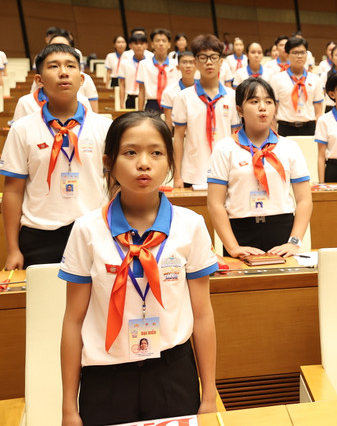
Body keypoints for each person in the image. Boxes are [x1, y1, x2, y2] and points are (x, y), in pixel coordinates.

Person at [59, 110, 218, 426]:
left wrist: (209, 393)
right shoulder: (86, 230)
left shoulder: (192, 226)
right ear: (108, 162)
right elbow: (73, 320)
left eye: (156, 153)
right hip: (106, 377)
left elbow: (203, 314)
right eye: (130, 152)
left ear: (170, 163)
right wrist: (68, 407)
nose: (143, 163)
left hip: (173, 372)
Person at [1, 44, 112, 270]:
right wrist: (13, 249)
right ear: (39, 80)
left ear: (81, 79)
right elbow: (12, 190)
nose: (63, 72)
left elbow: (115, 183)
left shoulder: (104, 126)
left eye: (70, 66)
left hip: (95, 231)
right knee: (45, 303)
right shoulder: (22, 128)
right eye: (54, 66)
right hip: (39, 235)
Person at [207, 78, 312, 258]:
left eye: (268, 102)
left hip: (282, 230)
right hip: (240, 232)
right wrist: (232, 247)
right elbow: (214, 203)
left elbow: (304, 200)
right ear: (239, 110)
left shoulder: (289, 147)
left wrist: (294, 241)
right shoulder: (225, 148)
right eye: (254, 101)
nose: (262, 107)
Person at [172, 34, 240, 188]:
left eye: (213, 57)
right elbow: (177, 138)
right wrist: (177, 176)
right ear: (195, 62)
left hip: (226, 172)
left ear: (221, 61)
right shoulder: (184, 97)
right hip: (192, 172)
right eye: (203, 57)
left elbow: (236, 138)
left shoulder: (232, 96)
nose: (209, 62)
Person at [271, 36, 324, 136]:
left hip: (309, 128)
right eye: (295, 53)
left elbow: (318, 111)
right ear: (287, 55)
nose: (299, 56)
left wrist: (319, 133)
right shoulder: (277, 79)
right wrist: (273, 133)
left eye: (303, 52)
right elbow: (274, 111)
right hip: (285, 128)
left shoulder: (315, 79)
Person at [137, 28, 177, 112]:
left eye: (164, 41)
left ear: (169, 44)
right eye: (157, 41)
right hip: (152, 104)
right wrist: (139, 112)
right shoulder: (143, 64)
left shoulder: (176, 64)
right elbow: (141, 90)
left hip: (173, 103)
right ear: (152, 44)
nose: (161, 43)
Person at [161, 51, 197, 129]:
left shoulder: (205, 89)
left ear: (197, 66)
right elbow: (168, 121)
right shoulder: (169, 92)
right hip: (177, 131)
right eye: (184, 62)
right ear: (178, 67)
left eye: (191, 62)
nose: (188, 66)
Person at [117, 34, 151, 109]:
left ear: (146, 46)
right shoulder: (124, 63)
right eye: (136, 43)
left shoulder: (150, 63)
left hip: (146, 99)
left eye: (141, 44)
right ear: (130, 45)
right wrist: (121, 103)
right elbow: (122, 84)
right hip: (130, 98)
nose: (139, 46)